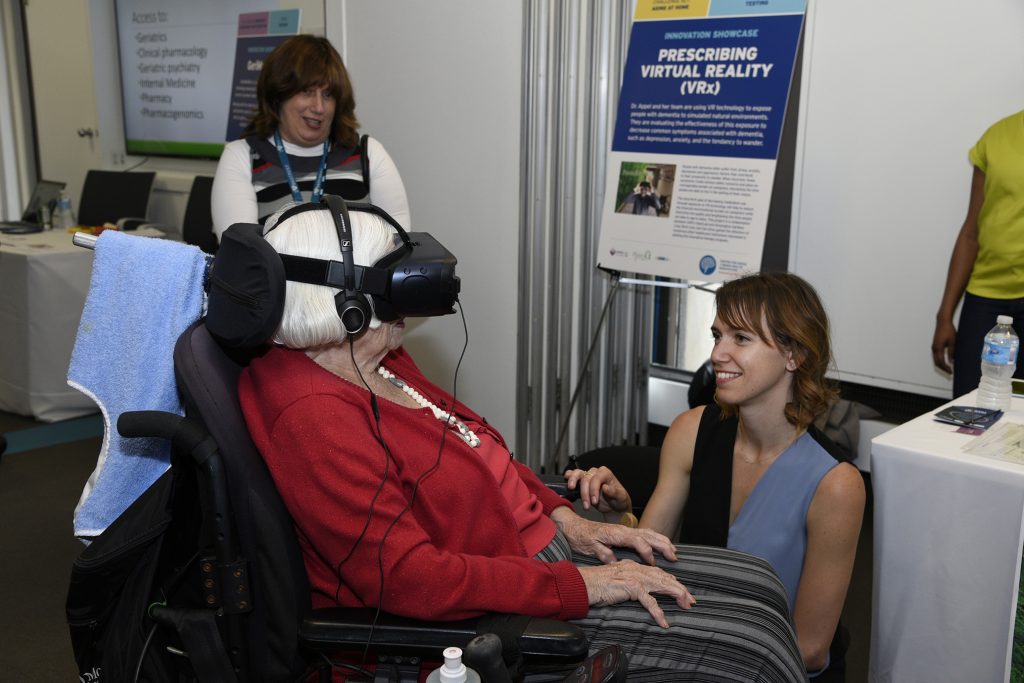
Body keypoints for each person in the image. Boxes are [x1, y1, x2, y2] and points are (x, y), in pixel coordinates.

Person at [238, 203, 809, 681]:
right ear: (345, 302)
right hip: (497, 613)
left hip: (538, 559)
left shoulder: (376, 356)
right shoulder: (312, 415)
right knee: (751, 656)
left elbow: (479, 452)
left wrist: (569, 521)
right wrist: (580, 584)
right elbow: (412, 578)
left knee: (758, 584)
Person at [565, 272, 865, 679]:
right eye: (717, 335)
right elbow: (647, 562)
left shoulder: (836, 484)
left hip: (772, 665)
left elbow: (810, 649)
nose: (718, 353)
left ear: (794, 355)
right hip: (699, 641)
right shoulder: (690, 431)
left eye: (741, 338)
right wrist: (617, 519)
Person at [211, 35, 410, 240]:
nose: (318, 107)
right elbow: (242, 256)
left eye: (328, 95)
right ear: (278, 95)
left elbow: (399, 245)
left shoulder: (368, 154)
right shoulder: (242, 156)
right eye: (307, 92)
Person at [932, 109, 1024, 397]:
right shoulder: (996, 136)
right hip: (985, 302)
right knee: (969, 411)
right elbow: (971, 232)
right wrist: (945, 316)